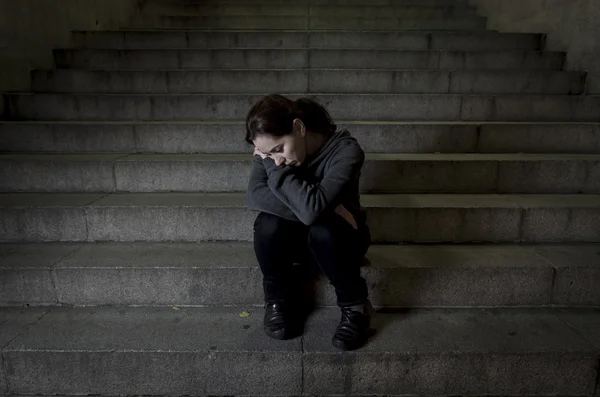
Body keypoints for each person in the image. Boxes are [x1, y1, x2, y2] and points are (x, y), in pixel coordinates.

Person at [245, 93, 374, 351]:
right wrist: (323, 206)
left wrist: (313, 209)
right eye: (269, 154)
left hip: (341, 239)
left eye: (280, 149)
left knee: (322, 228)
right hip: (297, 239)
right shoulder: (271, 155)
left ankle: (355, 307)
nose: (278, 159)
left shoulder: (346, 151)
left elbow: (312, 212)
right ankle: (277, 302)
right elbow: (255, 195)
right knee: (268, 225)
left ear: (299, 127)